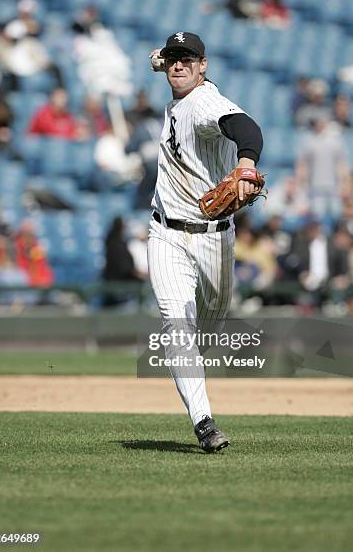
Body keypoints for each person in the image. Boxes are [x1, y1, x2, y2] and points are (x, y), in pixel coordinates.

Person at [147, 32, 263, 452]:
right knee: (177, 326)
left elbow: (246, 127)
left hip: (214, 239)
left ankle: (194, 375)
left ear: (204, 64)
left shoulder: (204, 103)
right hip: (165, 232)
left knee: (205, 334)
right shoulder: (181, 84)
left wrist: (246, 163)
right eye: (172, 59)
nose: (178, 65)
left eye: (187, 59)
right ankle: (204, 422)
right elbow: (173, 65)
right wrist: (165, 60)